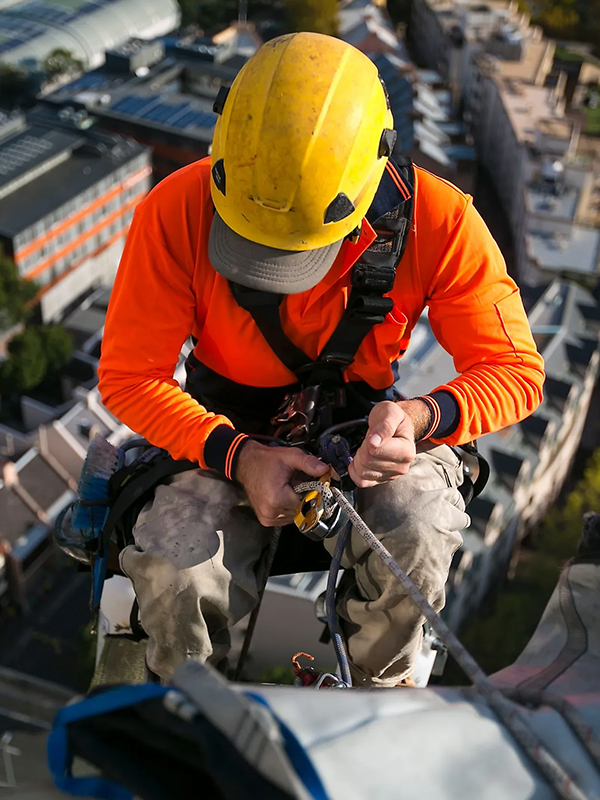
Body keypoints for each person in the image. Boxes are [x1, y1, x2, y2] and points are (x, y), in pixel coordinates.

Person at [98, 32, 544, 686]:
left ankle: (376, 694)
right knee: (176, 568)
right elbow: (129, 377)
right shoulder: (178, 212)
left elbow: (515, 373)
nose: (282, 275)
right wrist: (240, 456)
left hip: (365, 437)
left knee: (417, 530)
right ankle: (191, 711)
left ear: (374, 178)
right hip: (223, 438)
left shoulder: (440, 224)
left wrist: (420, 417)